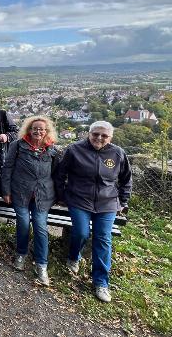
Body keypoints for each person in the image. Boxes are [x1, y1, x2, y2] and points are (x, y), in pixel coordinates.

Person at [55, 120, 132, 303]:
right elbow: (60, 174)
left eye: (104, 135)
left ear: (110, 137)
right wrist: (63, 196)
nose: (99, 138)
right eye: (95, 134)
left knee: (103, 238)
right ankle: (74, 256)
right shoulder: (74, 150)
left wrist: (123, 201)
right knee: (81, 232)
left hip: (107, 203)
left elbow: (126, 179)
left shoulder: (117, 153)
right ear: (88, 134)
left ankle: (101, 282)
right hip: (79, 199)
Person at [1, 115, 59, 286]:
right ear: (29, 130)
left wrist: (59, 196)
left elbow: (56, 174)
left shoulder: (52, 150)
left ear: (46, 131)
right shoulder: (17, 146)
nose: (38, 131)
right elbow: (7, 168)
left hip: (43, 196)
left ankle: (42, 265)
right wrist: (6, 190)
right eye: (35, 129)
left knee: (40, 226)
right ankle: (21, 253)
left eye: (42, 129)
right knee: (24, 222)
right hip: (20, 193)